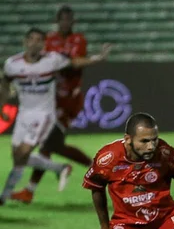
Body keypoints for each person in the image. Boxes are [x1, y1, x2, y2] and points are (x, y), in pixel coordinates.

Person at [0, 27, 110, 205]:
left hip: (44, 114)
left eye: (39, 40)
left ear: (44, 44)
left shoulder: (52, 60)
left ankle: (4, 196)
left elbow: (75, 62)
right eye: (31, 39)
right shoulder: (12, 63)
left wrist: (98, 58)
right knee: (18, 157)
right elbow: (5, 83)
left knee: (24, 152)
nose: (34, 43)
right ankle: (58, 168)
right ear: (25, 42)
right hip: (24, 114)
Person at [12, 5, 93, 204]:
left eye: (69, 19)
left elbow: (75, 62)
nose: (66, 23)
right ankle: (29, 191)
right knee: (49, 145)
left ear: (73, 21)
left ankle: (96, 167)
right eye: (63, 19)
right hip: (51, 99)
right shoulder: (50, 40)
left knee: (50, 144)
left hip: (69, 100)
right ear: (58, 21)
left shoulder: (78, 40)